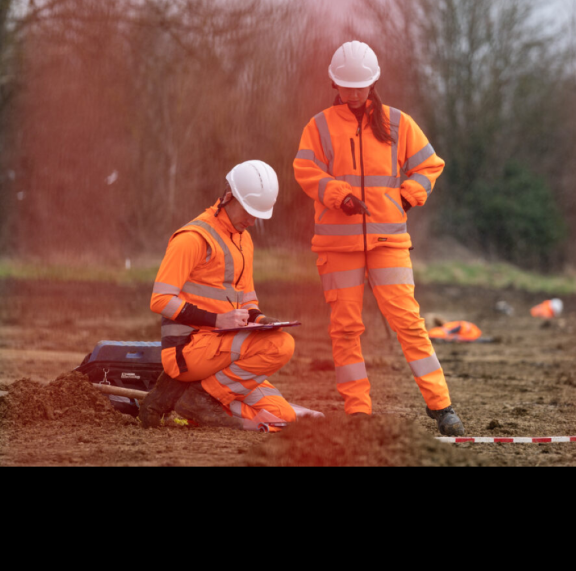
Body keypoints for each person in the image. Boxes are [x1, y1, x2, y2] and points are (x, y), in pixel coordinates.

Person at [293, 40, 464, 435]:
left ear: (373, 84)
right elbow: (306, 172)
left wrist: (406, 197)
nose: (354, 93)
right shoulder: (318, 127)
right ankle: (358, 413)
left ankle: (442, 408)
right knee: (346, 330)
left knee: (409, 323)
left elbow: (429, 165)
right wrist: (340, 195)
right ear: (334, 83)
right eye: (347, 86)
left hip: (389, 244)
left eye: (361, 86)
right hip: (338, 247)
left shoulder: (399, 123)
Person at [139, 160, 297, 430]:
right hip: (189, 350)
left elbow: (247, 299)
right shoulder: (192, 238)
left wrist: (261, 320)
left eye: (258, 214)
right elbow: (160, 300)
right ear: (229, 196)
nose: (253, 219)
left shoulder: (243, 239)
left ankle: (190, 399)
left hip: (220, 350)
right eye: (249, 210)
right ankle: (200, 397)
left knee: (283, 417)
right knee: (281, 345)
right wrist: (217, 320)